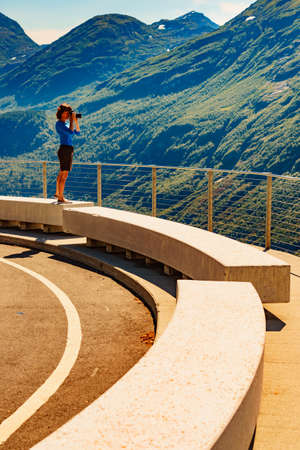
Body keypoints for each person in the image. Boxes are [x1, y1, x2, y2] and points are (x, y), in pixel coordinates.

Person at [55, 103, 80, 203]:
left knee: (62, 173)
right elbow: (70, 132)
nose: (66, 115)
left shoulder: (65, 124)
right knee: (64, 175)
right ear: (60, 113)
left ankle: (58, 193)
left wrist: (75, 122)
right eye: (65, 113)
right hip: (65, 149)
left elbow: (77, 133)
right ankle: (61, 197)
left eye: (67, 113)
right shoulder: (59, 124)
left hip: (68, 149)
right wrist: (71, 122)